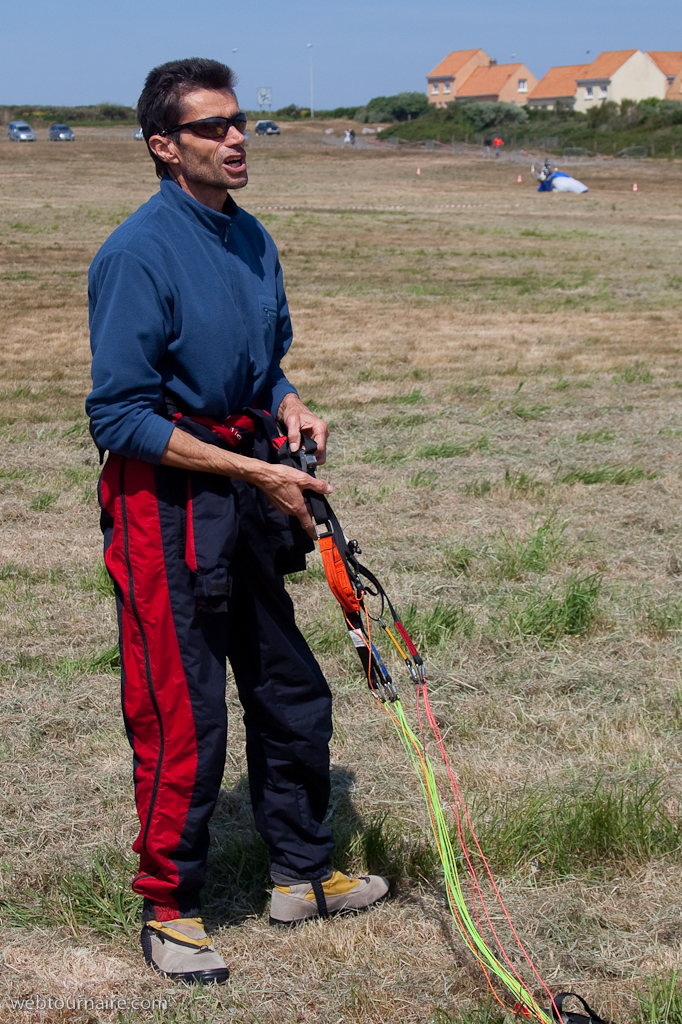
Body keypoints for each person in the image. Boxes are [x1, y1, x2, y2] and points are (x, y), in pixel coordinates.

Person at [86, 57, 388, 987]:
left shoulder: (251, 238)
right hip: (163, 508)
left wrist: (289, 406)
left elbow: (263, 369)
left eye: (239, 121)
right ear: (163, 147)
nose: (235, 138)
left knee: (291, 690)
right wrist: (250, 466)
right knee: (184, 715)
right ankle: (169, 907)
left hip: (249, 491)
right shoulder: (136, 253)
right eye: (212, 127)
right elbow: (119, 416)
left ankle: (300, 870)